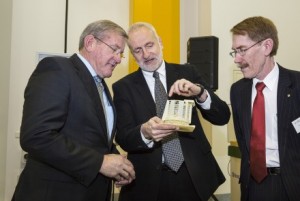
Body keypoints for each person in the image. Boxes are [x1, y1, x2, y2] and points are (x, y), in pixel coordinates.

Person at [11, 19, 135, 201]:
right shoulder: (57, 69)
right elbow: (37, 135)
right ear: (90, 42)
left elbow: (93, 139)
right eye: (115, 49)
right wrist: (100, 162)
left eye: (121, 54)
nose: (118, 58)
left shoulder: (101, 85)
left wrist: (118, 165)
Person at [112, 22, 230, 201]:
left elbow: (222, 116)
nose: (146, 54)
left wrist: (200, 93)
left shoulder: (188, 72)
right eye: (137, 50)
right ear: (131, 54)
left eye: (149, 45)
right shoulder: (123, 87)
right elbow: (123, 137)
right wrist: (144, 132)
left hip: (193, 175)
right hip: (147, 181)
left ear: (160, 42)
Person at [230, 16, 300, 201]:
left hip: (291, 186)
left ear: (267, 47)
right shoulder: (237, 91)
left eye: (242, 50)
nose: (237, 59)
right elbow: (243, 141)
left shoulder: (297, 85)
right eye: (234, 52)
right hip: (252, 187)